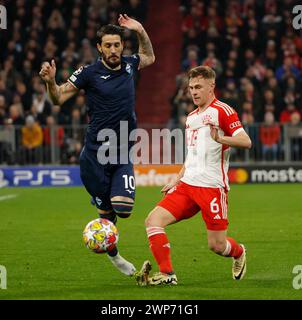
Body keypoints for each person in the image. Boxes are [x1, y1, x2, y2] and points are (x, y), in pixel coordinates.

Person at [39, 14, 155, 276]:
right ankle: (115, 257)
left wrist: (140, 29)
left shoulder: (129, 64)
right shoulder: (88, 73)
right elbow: (57, 99)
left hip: (122, 151)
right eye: (108, 45)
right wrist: (50, 82)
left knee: (123, 209)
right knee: (107, 215)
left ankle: (107, 221)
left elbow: (149, 57)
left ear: (121, 46)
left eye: (117, 45)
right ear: (99, 48)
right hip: (95, 157)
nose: (113, 50)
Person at [135, 66, 252, 286]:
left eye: (198, 87)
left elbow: (246, 141)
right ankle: (168, 274)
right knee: (153, 220)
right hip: (187, 185)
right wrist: (177, 177)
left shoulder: (223, 111)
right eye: (191, 88)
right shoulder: (190, 117)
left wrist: (221, 139)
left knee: (217, 246)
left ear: (211, 86)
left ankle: (238, 253)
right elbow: (192, 154)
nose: (194, 92)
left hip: (211, 187)